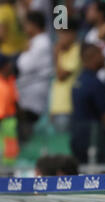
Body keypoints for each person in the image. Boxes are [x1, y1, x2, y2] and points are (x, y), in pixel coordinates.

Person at [71, 43, 105, 164]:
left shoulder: (78, 81)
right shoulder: (95, 84)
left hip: (77, 139)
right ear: (91, 57)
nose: (104, 58)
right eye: (101, 54)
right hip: (95, 141)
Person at [16, 10, 53, 144]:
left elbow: (24, 65)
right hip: (27, 92)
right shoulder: (36, 41)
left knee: (25, 129)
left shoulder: (42, 42)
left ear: (34, 25)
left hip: (32, 95)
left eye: (26, 24)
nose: (24, 28)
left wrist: (24, 52)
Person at [49, 17, 81, 133]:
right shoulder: (61, 52)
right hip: (58, 108)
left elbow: (61, 75)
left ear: (73, 34)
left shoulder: (77, 50)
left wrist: (56, 54)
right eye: (59, 34)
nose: (60, 37)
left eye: (64, 33)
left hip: (69, 108)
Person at [0, 52, 19, 165]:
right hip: (4, 125)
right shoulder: (1, 86)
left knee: (10, 159)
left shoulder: (10, 80)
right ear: (5, 66)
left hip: (9, 124)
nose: (11, 65)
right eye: (9, 63)